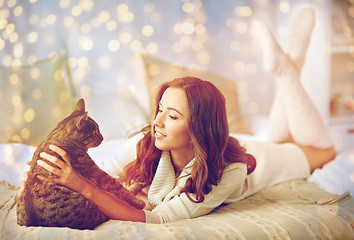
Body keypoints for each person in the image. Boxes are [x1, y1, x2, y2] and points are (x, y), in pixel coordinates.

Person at [36, 8, 336, 224]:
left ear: (198, 128)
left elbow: (156, 218)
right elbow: (103, 173)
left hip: (259, 159)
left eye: (173, 116)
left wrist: (82, 186)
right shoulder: (145, 142)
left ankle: (286, 69)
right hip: (226, 144)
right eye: (160, 111)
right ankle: (290, 65)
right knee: (280, 135)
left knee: (325, 150)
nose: (157, 122)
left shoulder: (229, 174)